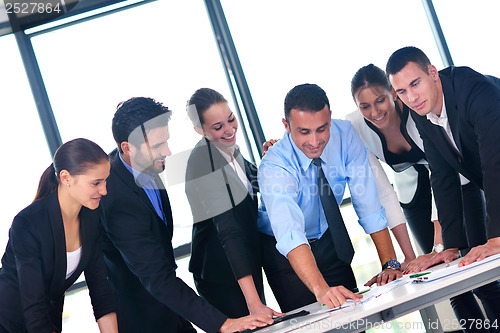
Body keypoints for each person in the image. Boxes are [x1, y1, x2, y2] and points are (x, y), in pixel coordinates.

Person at [100, 97, 273, 333]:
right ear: (127, 147)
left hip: (171, 308)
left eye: (166, 142)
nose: (168, 152)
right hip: (144, 318)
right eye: (158, 145)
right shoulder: (116, 199)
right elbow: (156, 276)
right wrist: (223, 323)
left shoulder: (144, 164)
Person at [348, 63, 496, 330]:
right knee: (438, 275)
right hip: (411, 190)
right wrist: (405, 258)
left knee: (473, 265)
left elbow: (442, 177)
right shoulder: (356, 127)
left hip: (455, 181)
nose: (375, 111)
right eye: (365, 106)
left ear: (392, 94)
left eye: (381, 100)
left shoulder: (417, 110)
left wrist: (444, 245)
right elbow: (383, 192)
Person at [257, 83, 402, 313]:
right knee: (315, 325)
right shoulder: (274, 165)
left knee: (354, 318)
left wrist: (390, 263)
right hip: (285, 254)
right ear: (286, 126)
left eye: (322, 129)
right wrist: (321, 288)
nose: (315, 141)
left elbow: (368, 203)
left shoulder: (345, 136)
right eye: (304, 132)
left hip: (329, 239)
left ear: (330, 118)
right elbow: (291, 233)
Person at [386, 45, 500, 322]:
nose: (411, 97)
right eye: (401, 92)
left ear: (433, 73)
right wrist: (449, 246)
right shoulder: (420, 113)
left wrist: (496, 238)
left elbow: (495, 163)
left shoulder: (474, 90)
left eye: (415, 84)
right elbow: (442, 176)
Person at [0, 138, 118, 333]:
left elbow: (100, 289)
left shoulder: (91, 217)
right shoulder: (28, 223)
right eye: (96, 183)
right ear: (66, 178)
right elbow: (33, 305)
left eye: (105, 181)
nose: (104, 190)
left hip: (47, 322)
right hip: (8, 323)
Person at [185, 88, 282, 318]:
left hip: (243, 263)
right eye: (218, 127)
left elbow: (253, 183)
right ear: (200, 130)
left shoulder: (229, 149)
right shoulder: (203, 163)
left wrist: (272, 158)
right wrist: (254, 302)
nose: (229, 130)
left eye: (231, 119)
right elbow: (228, 231)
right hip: (222, 276)